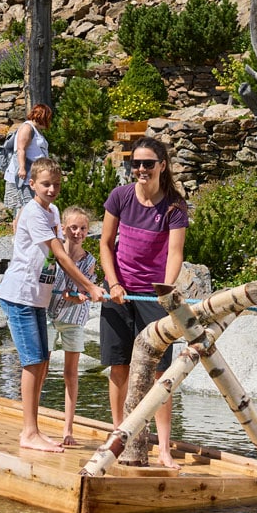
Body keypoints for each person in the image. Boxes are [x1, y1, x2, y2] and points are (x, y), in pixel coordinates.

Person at [0, 158, 104, 453]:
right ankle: (28, 432)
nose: (52, 189)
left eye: (56, 184)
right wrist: (89, 286)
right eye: (45, 184)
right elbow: (59, 254)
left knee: (42, 362)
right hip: (20, 294)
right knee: (32, 362)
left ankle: (34, 429)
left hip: (38, 298)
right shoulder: (33, 213)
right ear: (32, 184)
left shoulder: (54, 211)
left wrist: (84, 285)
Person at [99, 136, 188, 469]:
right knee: (119, 365)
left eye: (147, 164)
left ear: (161, 166)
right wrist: (113, 283)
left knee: (160, 372)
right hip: (119, 293)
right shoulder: (119, 197)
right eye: (135, 163)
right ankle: (117, 434)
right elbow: (106, 244)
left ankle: (163, 447)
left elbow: (175, 254)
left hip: (151, 295)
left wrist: (165, 292)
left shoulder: (175, 207)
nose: (140, 169)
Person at [46, 206, 96, 446]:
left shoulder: (89, 261)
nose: (78, 232)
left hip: (74, 318)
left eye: (83, 228)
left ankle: (68, 430)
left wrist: (76, 295)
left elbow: (83, 289)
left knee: (71, 373)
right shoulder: (52, 253)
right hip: (47, 314)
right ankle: (32, 421)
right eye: (73, 227)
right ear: (63, 228)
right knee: (39, 368)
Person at [3, 104, 52, 219]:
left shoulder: (36, 129)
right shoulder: (27, 128)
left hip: (35, 173)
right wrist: (22, 168)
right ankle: (21, 234)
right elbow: (21, 149)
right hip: (25, 175)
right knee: (26, 205)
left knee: (30, 205)